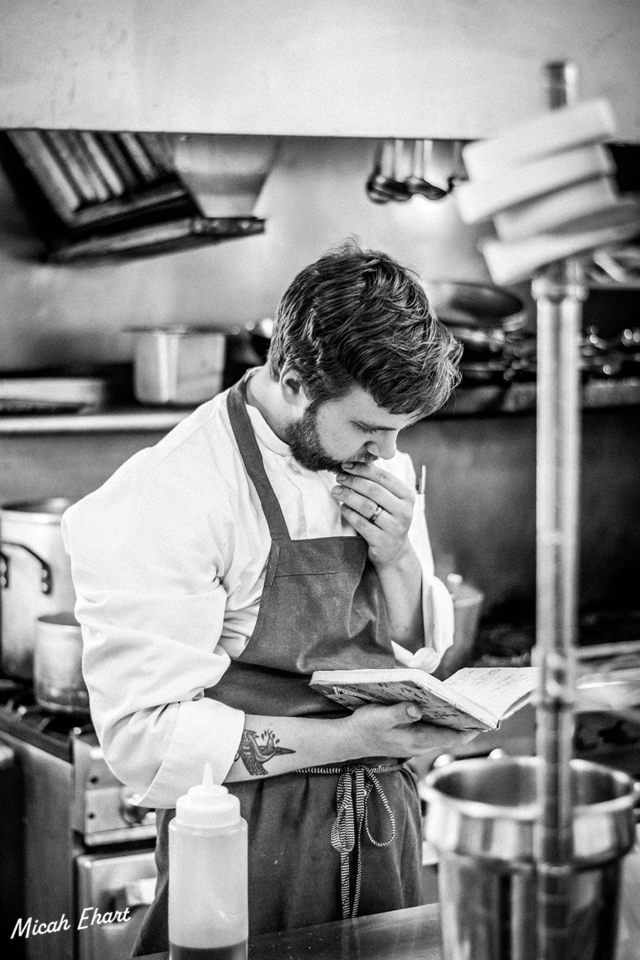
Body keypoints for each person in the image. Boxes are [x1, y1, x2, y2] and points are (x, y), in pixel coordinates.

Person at [62, 242, 472, 953]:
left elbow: (410, 643)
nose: (386, 454)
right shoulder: (173, 495)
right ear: (291, 376)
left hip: (385, 828)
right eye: (370, 429)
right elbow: (144, 740)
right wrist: (352, 740)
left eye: (400, 432)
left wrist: (398, 554)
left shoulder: (375, 453)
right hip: (242, 839)